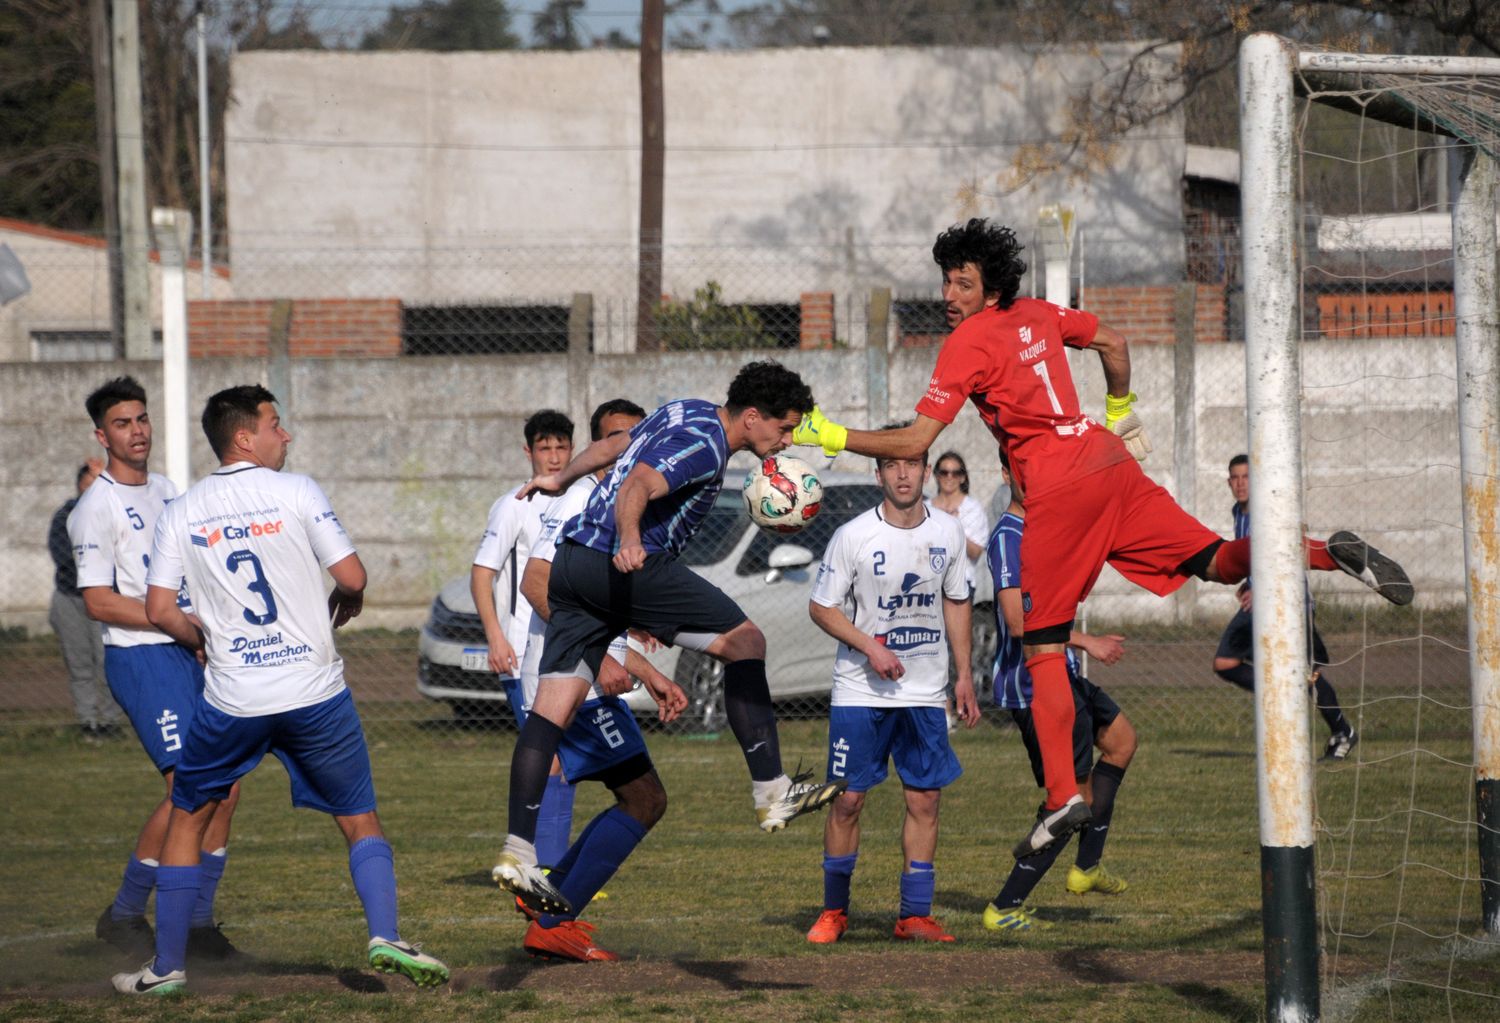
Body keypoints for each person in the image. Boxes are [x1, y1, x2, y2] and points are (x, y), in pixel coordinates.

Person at [792, 218, 1413, 859]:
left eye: (963, 283)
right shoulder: (1040, 313)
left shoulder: (967, 344)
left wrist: (826, 434)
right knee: (1218, 561)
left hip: (1057, 491)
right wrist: (1119, 410)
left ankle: (1062, 795)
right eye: (946, 281)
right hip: (1109, 460)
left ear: (990, 289)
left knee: (1042, 645)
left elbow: (916, 442)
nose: (950, 295)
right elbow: (1113, 343)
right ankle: (1327, 553)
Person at [112, 385, 448, 994]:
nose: (285, 434)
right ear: (245, 436)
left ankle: (165, 970)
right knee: (357, 817)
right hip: (315, 693)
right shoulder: (297, 491)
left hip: (235, 697)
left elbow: (160, 608)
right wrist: (350, 594)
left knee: (187, 816)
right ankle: (385, 935)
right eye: (275, 424)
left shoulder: (182, 510)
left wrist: (202, 638)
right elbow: (352, 574)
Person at [493, 361, 846, 915]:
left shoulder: (684, 408)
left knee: (549, 712)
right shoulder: (707, 443)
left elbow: (616, 445)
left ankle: (517, 851)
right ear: (752, 417)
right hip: (625, 565)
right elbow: (638, 482)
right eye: (782, 428)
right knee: (745, 643)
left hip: (573, 567)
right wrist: (631, 539)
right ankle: (771, 789)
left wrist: (561, 478)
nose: (784, 440)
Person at [501, 397, 689, 962]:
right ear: (598, 444)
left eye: (636, 435)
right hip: (568, 686)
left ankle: (551, 904)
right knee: (643, 799)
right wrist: (597, 657)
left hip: (579, 679)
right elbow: (537, 584)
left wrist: (644, 668)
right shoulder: (581, 499)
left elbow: (594, 608)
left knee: (644, 798)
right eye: (614, 437)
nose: (625, 446)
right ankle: (553, 918)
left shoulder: (624, 503)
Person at [68, 377, 241, 962]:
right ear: (102, 435)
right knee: (190, 787)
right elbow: (98, 601)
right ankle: (123, 914)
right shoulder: (95, 508)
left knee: (228, 784)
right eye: (123, 423)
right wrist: (172, 622)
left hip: (188, 650)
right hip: (141, 658)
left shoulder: (169, 491)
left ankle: (199, 925)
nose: (137, 431)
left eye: (141, 419)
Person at [803, 437, 979, 946]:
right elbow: (822, 607)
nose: (903, 474)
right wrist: (870, 647)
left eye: (912, 463)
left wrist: (964, 675)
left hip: (924, 693)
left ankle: (914, 916)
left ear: (926, 472)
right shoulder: (852, 536)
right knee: (848, 801)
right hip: (861, 690)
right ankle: (834, 910)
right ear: (878, 474)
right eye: (891, 465)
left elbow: (957, 600)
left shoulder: (948, 530)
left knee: (924, 799)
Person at [982, 460, 1136, 933]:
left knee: (1122, 741)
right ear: (1007, 477)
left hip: (1063, 673)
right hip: (1032, 686)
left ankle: (1086, 869)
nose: (1035, 480)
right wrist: (1086, 641)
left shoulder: (1047, 527)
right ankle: (1004, 905)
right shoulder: (1008, 536)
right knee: (1069, 802)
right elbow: (1015, 620)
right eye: (1022, 473)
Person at [470, 410, 575, 867]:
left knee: (566, 762)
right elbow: (482, 574)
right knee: (549, 760)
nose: (553, 457)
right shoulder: (515, 504)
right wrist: (496, 637)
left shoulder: (582, 498)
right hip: (523, 655)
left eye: (561, 447)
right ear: (528, 451)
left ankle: (552, 867)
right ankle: (543, 869)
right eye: (544, 448)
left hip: (569, 651)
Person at [1213, 454, 1357, 761]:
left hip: (1288, 602)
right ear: (1228, 482)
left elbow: (1284, 557)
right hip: (1257, 603)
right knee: (1225, 662)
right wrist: (1250, 582)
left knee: (1309, 673)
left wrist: (1261, 587)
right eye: (1235, 478)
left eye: (1246, 477)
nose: (1240, 484)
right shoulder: (1238, 512)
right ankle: (1281, 691)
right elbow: (1255, 556)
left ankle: (1342, 732)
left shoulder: (1268, 513)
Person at [48, 457, 119, 737]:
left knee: (107, 664)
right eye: (89, 483)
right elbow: (62, 554)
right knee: (80, 664)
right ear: (79, 485)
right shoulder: (66, 515)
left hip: (106, 600)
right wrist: (96, 561)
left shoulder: (114, 513)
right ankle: (88, 722)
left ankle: (111, 722)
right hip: (71, 598)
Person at [929, 451, 987, 566]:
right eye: (944, 472)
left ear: (962, 477)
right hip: (931, 579)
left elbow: (976, 552)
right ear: (936, 475)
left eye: (955, 473)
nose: (949, 477)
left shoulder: (973, 508)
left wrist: (953, 528)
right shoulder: (925, 508)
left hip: (963, 580)